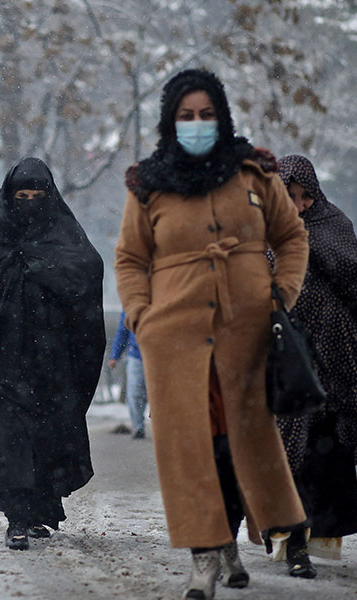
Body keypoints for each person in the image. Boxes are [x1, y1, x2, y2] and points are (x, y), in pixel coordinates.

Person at [115, 69, 313, 599]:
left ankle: (232, 540)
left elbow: (292, 237)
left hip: (246, 336)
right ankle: (205, 557)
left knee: (238, 445)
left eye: (206, 115)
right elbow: (131, 259)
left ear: (221, 116)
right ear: (170, 121)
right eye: (186, 116)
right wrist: (141, 317)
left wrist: (281, 294)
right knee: (190, 449)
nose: (197, 124)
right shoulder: (148, 184)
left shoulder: (254, 172)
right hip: (172, 341)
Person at [0, 157, 105, 551]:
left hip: (49, 365)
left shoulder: (62, 239)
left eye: (37, 195)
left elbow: (87, 271)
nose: (29, 203)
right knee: (6, 438)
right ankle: (16, 516)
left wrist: (44, 271)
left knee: (44, 439)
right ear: (9, 198)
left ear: (49, 198)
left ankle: (37, 510)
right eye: (21, 196)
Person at [276, 154, 357, 563]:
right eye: (291, 196)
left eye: (307, 197)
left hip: (333, 356)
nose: (300, 205)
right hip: (286, 358)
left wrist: (315, 250)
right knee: (288, 447)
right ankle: (291, 540)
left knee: (325, 451)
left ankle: (318, 534)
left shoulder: (333, 224)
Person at [107, 311, 148, 439]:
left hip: (157, 355)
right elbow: (122, 331)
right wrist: (115, 356)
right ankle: (138, 427)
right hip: (135, 355)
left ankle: (163, 427)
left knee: (157, 394)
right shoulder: (130, 306)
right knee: (134, 392)